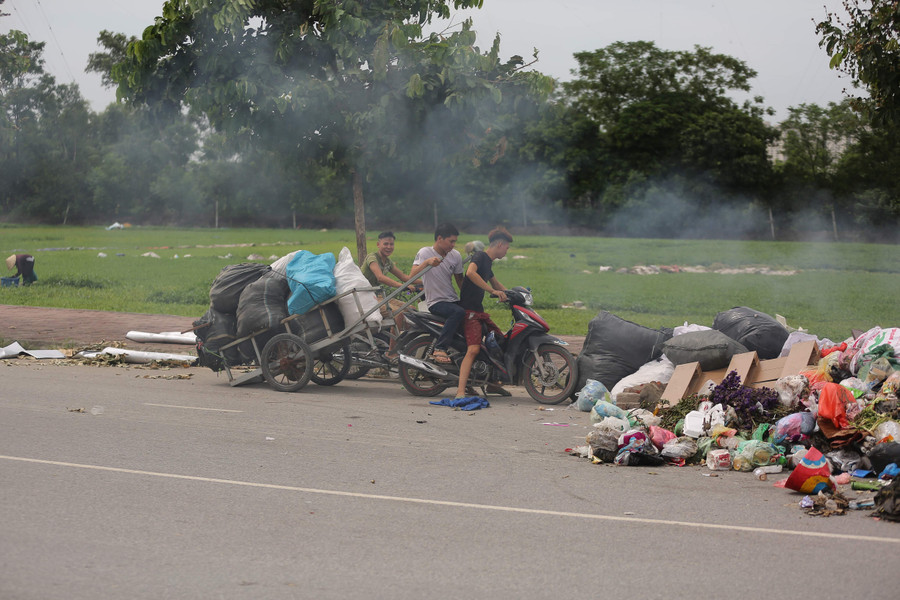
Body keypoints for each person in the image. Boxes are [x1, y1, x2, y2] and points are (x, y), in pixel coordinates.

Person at [454, 227, 513, 398]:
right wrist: (492, 291)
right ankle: (460, 391)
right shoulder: (479, 256)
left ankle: (493, 384)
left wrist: (516, 294)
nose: (507, 251)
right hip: (469, 312)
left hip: (478, 312)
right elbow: (471, 273)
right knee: (473, 349)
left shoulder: (488, 262)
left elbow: (497, 284)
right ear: (500, 244)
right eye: (507, 247)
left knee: (499, 341)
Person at [409, 223, 464, 365]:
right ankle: (440, 348)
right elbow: (412, 276)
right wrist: (427, 263)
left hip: (451, 299)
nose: (453, 245)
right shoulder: (425, 253)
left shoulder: (455, 256)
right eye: (451, 241)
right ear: (440, 238)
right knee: (457, 313)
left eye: (455, 242)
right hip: (436, 301)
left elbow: (460, 280)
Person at [360, 231, 417, 357]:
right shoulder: (372, 258)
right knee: (399, 313)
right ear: (378, 244)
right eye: (386, 244)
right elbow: (380, 277)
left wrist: (425, 283)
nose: (389, 247)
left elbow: (404, 277)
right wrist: (403, 286)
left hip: (378, 296)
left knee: (412, 310)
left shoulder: (388, 262)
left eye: (391, 244)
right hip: (365, 297)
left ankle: (403, 345)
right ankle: (392, 352)